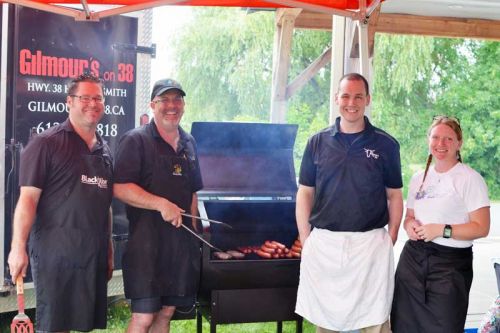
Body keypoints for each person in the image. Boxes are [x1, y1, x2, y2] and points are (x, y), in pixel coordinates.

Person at [295, 73, 404, 333]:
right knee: (327, 324)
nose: (351, 102)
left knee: (375, 323)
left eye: (358, 96)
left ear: (368, 99)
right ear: (336, 99)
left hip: (370, 247)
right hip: (326, 247)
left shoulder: (386, 144)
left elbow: (395, 195)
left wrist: (391, 237)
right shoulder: (317, 142)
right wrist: (306, 238)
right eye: (345, 96)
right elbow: (305, 193)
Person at [7, 73, 114, 332]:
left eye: (98, 98)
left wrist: (109, 249)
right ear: (69, 101)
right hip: (56, 254)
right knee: (55, 326)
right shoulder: (45, 144)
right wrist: (17, 247)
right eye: (85, 97)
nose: (93, 103)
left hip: (92, 253)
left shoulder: (106, 150)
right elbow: (27, 200)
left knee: (82, 323)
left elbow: (105, 204)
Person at [113, 78, 203, 333]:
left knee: (165, 315)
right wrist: (161, 204)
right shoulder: (135, 140)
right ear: (153, 105)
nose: (171, 106)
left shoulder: (189, 143)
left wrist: (195, 234)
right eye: (165, 100)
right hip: (146, 246)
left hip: (179, 246)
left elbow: (193, 193)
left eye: (177, 99)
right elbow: (119, 187)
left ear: (183, 105)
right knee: (144, 318)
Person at [391, 116, 491, 333]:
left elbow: (481, 227)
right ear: (428, 140)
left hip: (450, 268)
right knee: (403, 325)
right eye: (436, 137)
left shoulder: (469, 179)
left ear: (459, 143)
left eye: (448, 138)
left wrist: (441, 229)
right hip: (412, 263)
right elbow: (410, 216)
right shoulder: (419, 178)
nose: (441, 143)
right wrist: (409, 226)